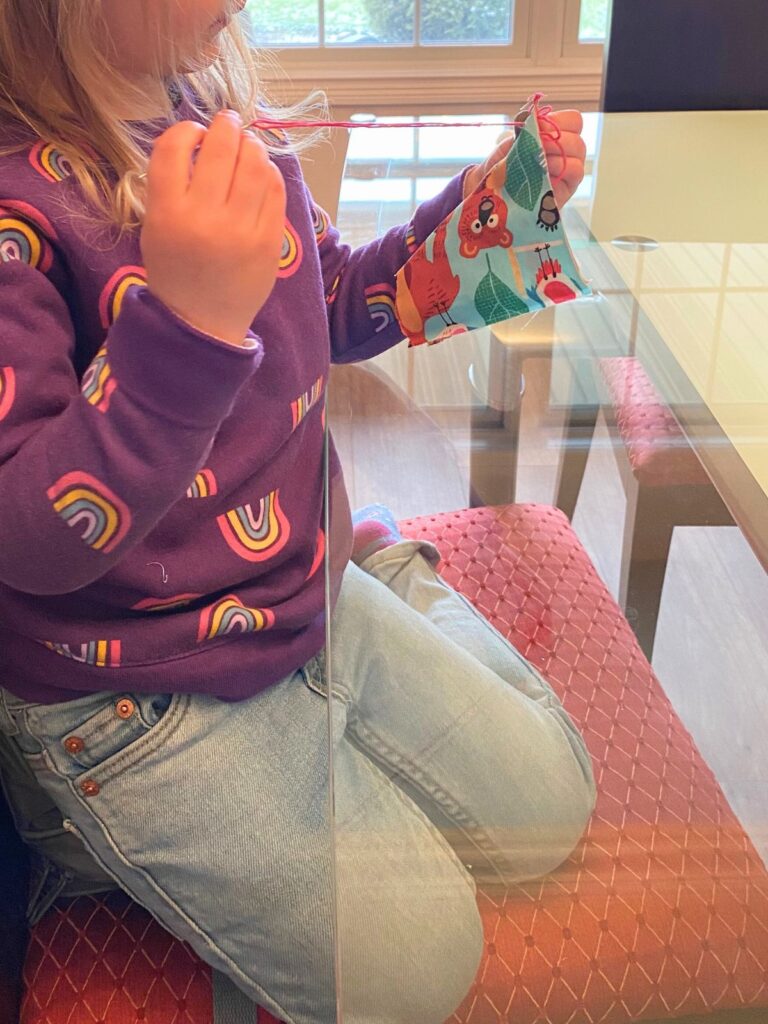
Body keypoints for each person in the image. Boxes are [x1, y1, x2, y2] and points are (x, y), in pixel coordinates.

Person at [0, 2, 595, 1021]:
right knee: (420, 967)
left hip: (301, 599)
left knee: (552, 807)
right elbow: (27, 535)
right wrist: (182, 324)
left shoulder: (210, 109)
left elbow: (330, 298)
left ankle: (384, 566)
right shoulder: (20, 212)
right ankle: (83, 849)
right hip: (132, 701)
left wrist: (484, 213)